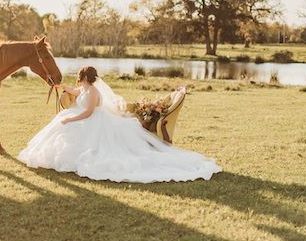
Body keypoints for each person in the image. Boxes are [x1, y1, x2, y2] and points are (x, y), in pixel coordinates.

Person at [18, 66, 222, 183]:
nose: (78, 82)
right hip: (87, 117)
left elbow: (88, 112)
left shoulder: (93, 92)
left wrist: (70, 118)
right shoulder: (85, 89)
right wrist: (62, 87)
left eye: (79, 79)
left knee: (68, 127)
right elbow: (75, 92)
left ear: (84, 78)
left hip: (91, 120)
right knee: (60, 125)